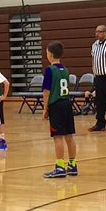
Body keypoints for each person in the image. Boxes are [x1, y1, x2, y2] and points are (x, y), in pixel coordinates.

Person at [42, 41, 77, 178]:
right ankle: (72, 165)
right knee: (69, 136)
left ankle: (60, 167)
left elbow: (46, 91)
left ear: (50, 54)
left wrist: (45, 108)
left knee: (57, 137)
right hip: (67, 103)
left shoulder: (49, 70)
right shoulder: (65, 70)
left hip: (56, 105)